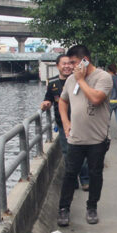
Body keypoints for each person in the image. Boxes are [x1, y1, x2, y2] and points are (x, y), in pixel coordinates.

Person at [57, 45, 114, 226]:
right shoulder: (70, 80)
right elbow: (63, 101)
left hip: (97, 139)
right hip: (75, 138)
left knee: (95, 174)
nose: (71, 66)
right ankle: (64, 209)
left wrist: (81, 80)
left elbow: (96, 98)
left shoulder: (103, 77)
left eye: (74, 62)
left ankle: (92, 207)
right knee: (70, 173)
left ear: (85, 60)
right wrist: (66, 123)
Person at [41, 54, 90, 190]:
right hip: (63, 125)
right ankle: (72, 181)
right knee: (67, 153)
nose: (67, 66)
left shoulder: (79, 81)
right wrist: (45, 104)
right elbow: (48, 99)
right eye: (64, 63)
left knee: (83, 153)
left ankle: (85, 180)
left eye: (70, 63)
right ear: (58, 66)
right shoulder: (52, 84)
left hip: (80, 123)